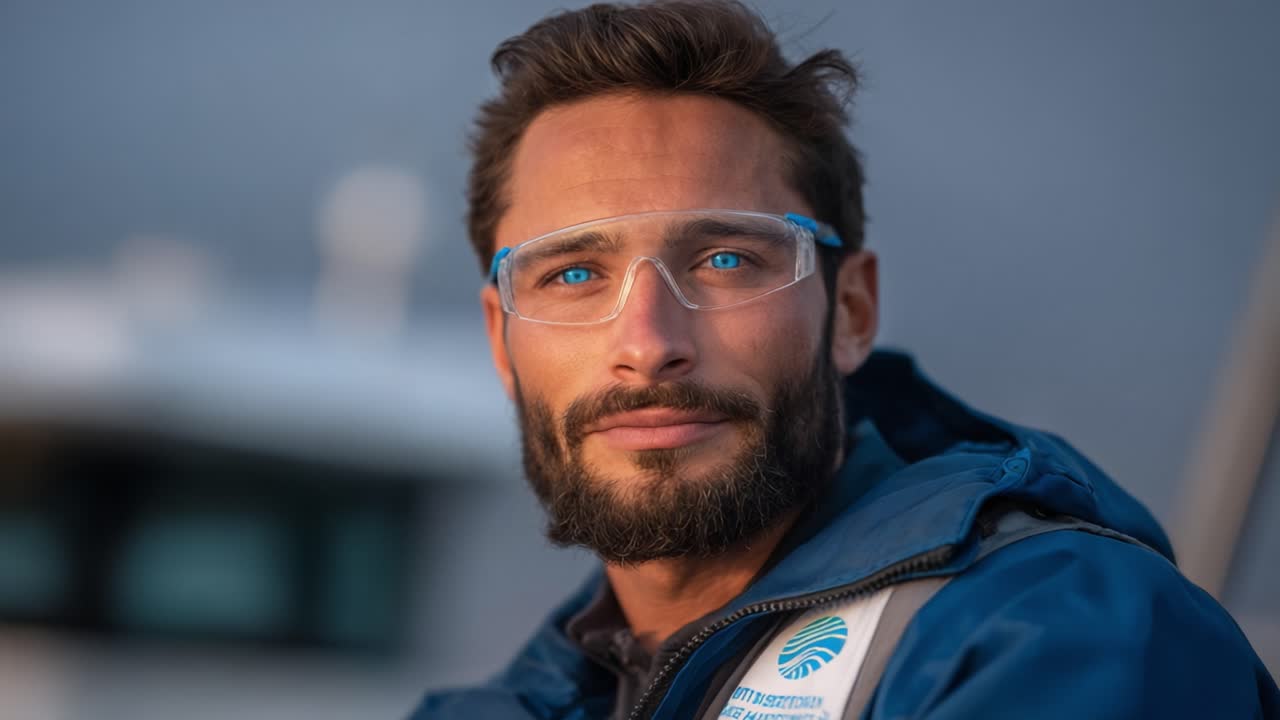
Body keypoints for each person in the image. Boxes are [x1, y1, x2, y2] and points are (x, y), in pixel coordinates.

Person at [412, 2, 1279, 718]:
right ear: (502, 339)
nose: (647, 343)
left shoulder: (1067, 634)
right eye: (571, 273)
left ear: (850, 311)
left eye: (725, 259)